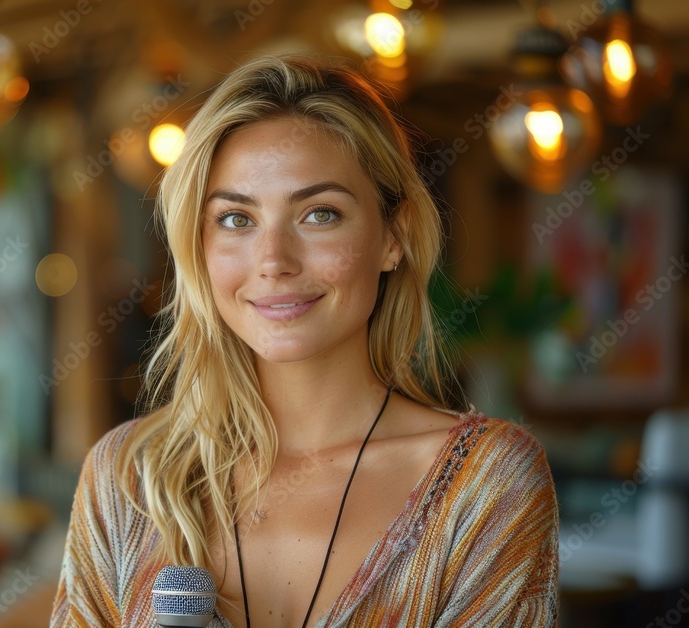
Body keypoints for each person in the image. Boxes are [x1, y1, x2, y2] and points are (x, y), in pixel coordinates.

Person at [51, 53, 559, 627]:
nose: (273, 262)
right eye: (236, 220)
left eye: (320, 214)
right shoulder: (128, 478)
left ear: (396, 235)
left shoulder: (485, 488)